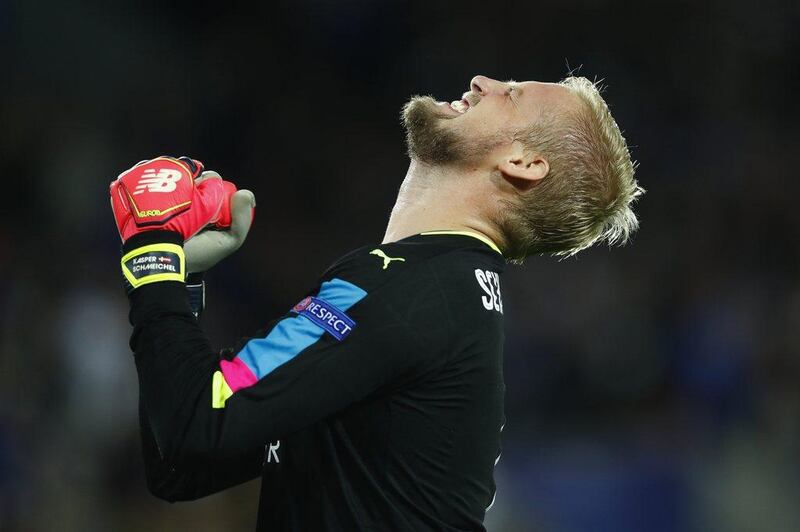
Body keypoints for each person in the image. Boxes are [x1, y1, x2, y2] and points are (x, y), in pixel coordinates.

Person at [109, 74, 642, 531]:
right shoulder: (442, 294)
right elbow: (181, 465)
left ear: (524, 162)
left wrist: (153, 254)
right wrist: (180, 279)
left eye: (514, 95)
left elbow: (196, 427)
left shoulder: (408, 290)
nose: (484, 82)